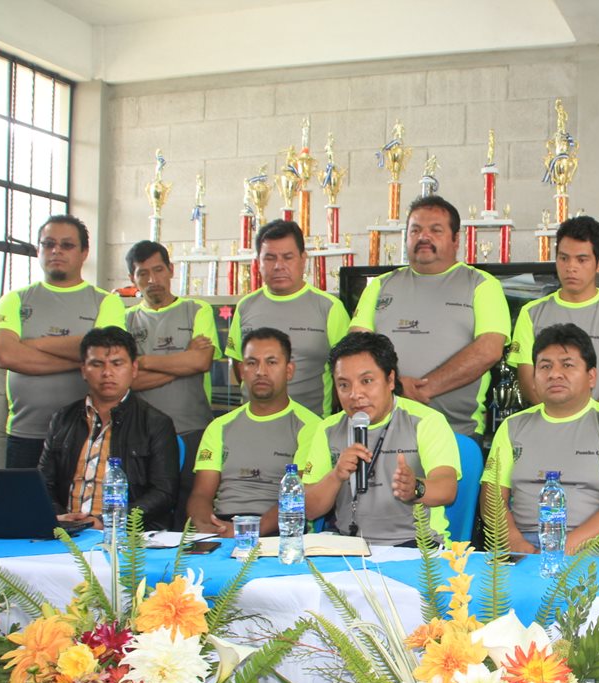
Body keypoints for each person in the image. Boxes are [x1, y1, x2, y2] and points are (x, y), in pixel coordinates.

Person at [349, 195, 510, 440]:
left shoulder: (482, 285)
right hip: (382, 430)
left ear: (456, 239)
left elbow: (489, 350)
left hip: (456, 431)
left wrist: (424, 389)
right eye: (415, 230)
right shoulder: (380, 286)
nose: (424, 237)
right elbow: (356, 350)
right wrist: (398, 386)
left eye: (435, 230)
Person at [483, 323, 599, 556]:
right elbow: (492, 496)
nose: (555, 374)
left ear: (591, 376)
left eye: (567, 365)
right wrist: (515, 543)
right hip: (520, 549)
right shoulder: (512, 427)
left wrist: (558, 549)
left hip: (587, 549)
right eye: (545, 366)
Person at [0, 215, 127, 468]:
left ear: (84, 253)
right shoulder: (15, 299)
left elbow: (105, 354)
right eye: (48, 244)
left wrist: (30, 343)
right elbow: (5, 355)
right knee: (25, 507)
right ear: (39, 250)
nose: (56, 251)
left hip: (86, 433)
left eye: (67, 245)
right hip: (25, 434)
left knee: (80, 509)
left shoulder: (106, 301)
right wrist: (81, 358)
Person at [302, 332, 460, 546]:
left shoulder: (426, 421)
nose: (355, 394)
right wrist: (336, 476)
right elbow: (309, 510)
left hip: (416, 545)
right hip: (349, 546)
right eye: (343, 385)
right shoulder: (328, 429)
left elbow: (447, 490)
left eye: (366, 381)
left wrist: (415, 487)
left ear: (391, 379)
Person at [38, 327, 179, 530]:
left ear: (134, 369)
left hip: (124, 535)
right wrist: (59, 517)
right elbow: (44, 484)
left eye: (117, 364)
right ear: (83, 370)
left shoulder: (155, 423)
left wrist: (107, 523)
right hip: (65, 530)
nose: (107, 373)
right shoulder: (62, 419)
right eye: (97, 364)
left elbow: (164, 493)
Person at [187, 328, 320, 537]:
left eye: (272, 362)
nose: (261, 371)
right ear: (241, 371)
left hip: (280, 532)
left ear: (289, 370)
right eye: (251, 363)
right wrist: (207, 527)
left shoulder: (311, 427)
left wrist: (247, 531)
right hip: (223, 529)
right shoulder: (219, 426)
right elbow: (201, 494)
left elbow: (298, 497)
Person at [124, 240, 221, 525]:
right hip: (141, 433)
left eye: (158, 270)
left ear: (171, 270)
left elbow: (201, 363)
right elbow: (124, 381)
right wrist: (183, 361)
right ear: (133, 279)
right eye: (143, 273)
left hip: (192, 428)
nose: (152, 280)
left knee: (187, 508)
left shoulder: (197, 310)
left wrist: (142, 361)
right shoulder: (125, 319)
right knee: (145, 510)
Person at [509, 215, 599, 411]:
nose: (571, 267)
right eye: (563, 258)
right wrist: (558, 421)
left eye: (582, 260)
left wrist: (586, 424)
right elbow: (529, 382)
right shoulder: (531, 313)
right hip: (547, 429)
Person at [225, 219, 349, 416]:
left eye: (287, 257)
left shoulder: (329, 308)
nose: (278, 266)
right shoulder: (245, 307)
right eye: (270, 258)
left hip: (311, 430)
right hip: (254, 424)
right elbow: (240, 368)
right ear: (258, 262)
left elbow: (346, 375)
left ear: (303, 259)